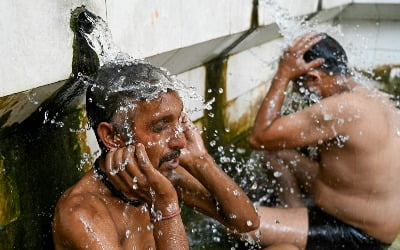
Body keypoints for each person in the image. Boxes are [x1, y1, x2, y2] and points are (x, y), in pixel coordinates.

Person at [52, 61, 259, 249]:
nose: (180, 141)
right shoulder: (82, 215)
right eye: (161, 127)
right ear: (112, 136)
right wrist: (164, 203)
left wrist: (201, 160)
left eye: (180, 121)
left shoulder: (162, 174)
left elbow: (246, 222)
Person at [248, 32, 400, 249]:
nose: (298, 94)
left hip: (356, 234)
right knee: (277, 153)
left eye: (296, 85)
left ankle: (290, 232)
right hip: (372, 218)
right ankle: (292, 209)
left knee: (239, 221)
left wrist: (282, 75)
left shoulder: (344, 108)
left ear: (313, 78)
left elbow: (260, 137)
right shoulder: (371, 96)